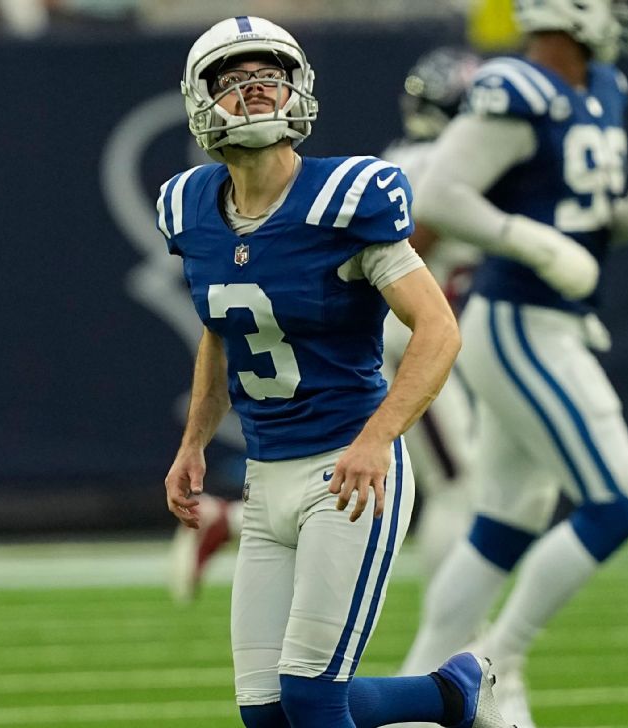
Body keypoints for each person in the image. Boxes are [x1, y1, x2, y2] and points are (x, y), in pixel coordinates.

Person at [156, 16, 509, 728]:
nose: (255, 93)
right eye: (234, 82)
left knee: (314, 700)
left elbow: (437, 329)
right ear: (201, 101)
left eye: (269, 78)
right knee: (265, 712)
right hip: (264, 479)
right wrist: (193, 442)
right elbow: (220, 333)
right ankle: (450, 695)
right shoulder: (189, 206)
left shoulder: (347, 197)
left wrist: (379, 438)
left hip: (346, 473)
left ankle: (452, 692)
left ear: (298, 91)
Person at [395, 2, 628, 726]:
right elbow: (440, 198)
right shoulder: (513, 86)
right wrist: (533, 244)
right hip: (521, 322)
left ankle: (408, 701)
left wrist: (619, 221)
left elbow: (564, 210)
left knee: (505, 520)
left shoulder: (604, 86)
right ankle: (496, 662)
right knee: (618, 499)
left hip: (553, 320)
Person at [380, 45, 483, 580]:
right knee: (456, 484)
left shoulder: (402, 157)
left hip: (412, 336)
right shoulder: (436, 165)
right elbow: (409, 246)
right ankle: (457, 635)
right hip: (408, 340)